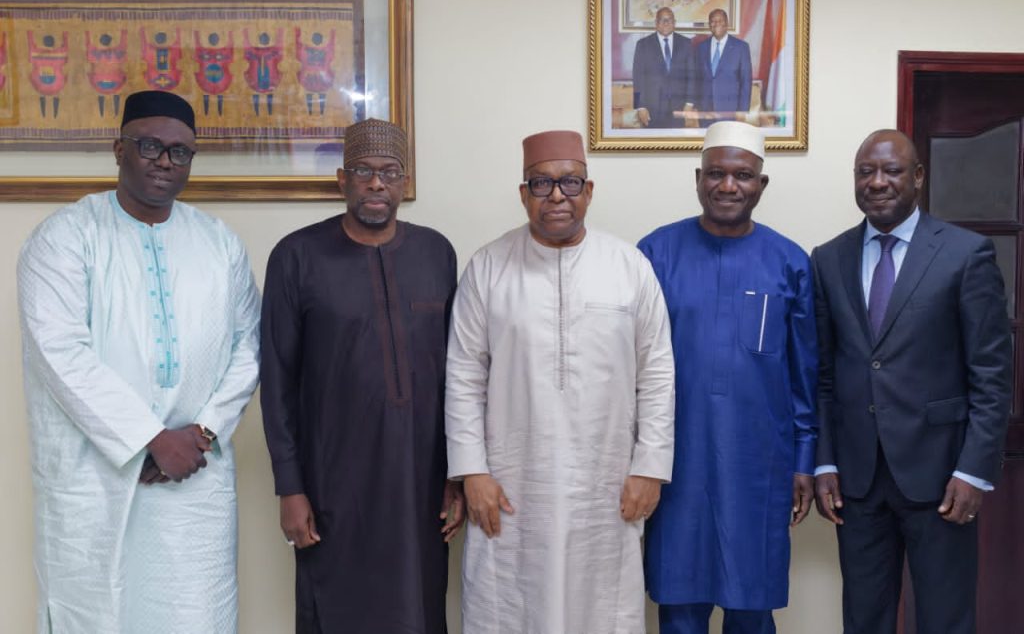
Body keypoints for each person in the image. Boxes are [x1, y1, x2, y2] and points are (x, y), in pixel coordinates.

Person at [17, 89, 260, 633]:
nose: (165, 161)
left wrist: (202, 432)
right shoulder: (64, 237)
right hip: (93, 476)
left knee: (196, 614)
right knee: (97, 614)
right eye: (150, 146)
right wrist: (151, 438)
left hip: (195, 478)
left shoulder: (219, 243)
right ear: (118, 149)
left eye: (181, 151)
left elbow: (250, 345)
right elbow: (59, 352)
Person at [445, 129, 676, 633]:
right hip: (511, 485)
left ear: (588, 191)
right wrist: (471, 471)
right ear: (523, 193)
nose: (556, 196)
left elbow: (657, 373)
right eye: (541, 183)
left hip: (606, 485)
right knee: (509, 607)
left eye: (570, 183)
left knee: (602, 609)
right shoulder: (488, 267)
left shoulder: (629, 267)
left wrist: (650, 468)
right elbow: (463, 375)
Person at [261, 118, 464, 633]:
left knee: (419, 607)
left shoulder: (436, 253)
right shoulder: (296, 256)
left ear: (405, 183)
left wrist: (457, 475)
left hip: (421, 483)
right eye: (363, 171)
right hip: (333, 485)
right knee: (338, 609)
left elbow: (458, 375)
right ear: (342, 180)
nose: (377, 183)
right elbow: (278, 382)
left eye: (390, 172)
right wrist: (290, 488)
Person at [812, 129, 1013, 634]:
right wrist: (825, 460)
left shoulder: (965, 254)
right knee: (864, 619)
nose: (877, 182)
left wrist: (974, 472)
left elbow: (991, 374)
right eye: (865, 172)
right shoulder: (828, 259)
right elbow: (825, 374)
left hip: (942, 476)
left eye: (892, 170)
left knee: (945, 619)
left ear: (918, 177)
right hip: (857, 482)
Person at [639, 121, 818, 634]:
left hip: (759, 464)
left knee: (751, 607)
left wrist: (804, 460)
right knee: (679, 606)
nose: (728, 185)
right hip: (676, 461)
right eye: (715, 173)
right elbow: (631, 367)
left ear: (762, 184)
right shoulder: (655, 253)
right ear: (698, 179)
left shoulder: (789, 262)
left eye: (742, 175)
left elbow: (804, 374)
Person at [632, 7, 694, 128]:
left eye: (669, 19)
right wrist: (640, 107)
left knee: (676, 139)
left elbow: (692, 76)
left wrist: (689, 103)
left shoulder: (686, 44)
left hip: (679, 107)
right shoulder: (643, 45)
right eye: (662, 20)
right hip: (652, 108)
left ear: (674, 23)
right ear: (656, 23)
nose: (666, 23)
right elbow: (637, 77)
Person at [693, 9, 752, 125]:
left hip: (730, 110)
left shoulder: (741, 47)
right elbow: (697, 79)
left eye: (720, 21)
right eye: (713, 21)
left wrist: (742, 110)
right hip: (705, 110)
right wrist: (696, 106)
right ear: (709, 24)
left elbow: (746, 81)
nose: (716, 24)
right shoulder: (701, 47)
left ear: (727, 24)